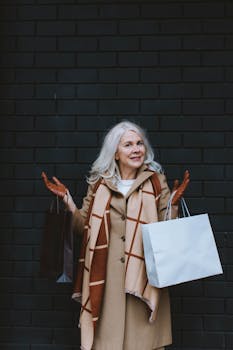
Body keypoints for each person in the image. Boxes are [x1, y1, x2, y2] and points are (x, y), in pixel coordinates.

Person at [42, 121, 190, 350]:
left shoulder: (155, 181)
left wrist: (174, 205)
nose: (136, 149)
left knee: (143, 344)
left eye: (140, 143)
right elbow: (84, 228)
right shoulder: (99, 184)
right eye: (128, 145)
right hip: (105, 278)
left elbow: (166, 232)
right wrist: (68, 201)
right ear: (116, 153)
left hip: (143, 278)